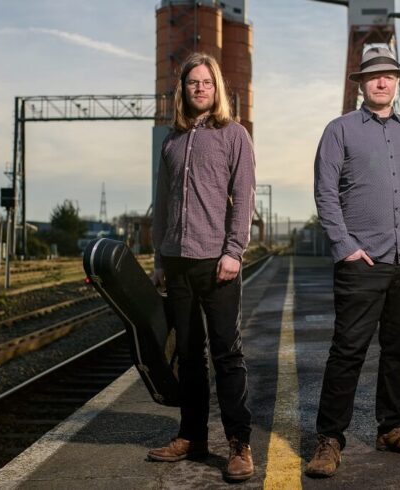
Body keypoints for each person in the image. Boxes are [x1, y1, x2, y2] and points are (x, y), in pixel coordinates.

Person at [306, 46, 400, 478]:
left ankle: (391, 428)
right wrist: (344, 245)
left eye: (389, 76)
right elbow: (325, 193)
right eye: (374, 77)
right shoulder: (339, 130)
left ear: (398, 82)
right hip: (362, 262)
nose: (382, 82)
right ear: (361, 85)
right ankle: (330, 438)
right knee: (347, 352)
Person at [149, 52, 256, 482]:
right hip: (177, 263)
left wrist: (234, 251)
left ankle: (239, 444)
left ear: (217, 88)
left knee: (227, 354)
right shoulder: (171, 142)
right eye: (192, 82)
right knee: (190, 357)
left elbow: (244, 197)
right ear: (183, 89)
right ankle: (191, 436)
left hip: (218, 264)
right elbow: (162, 204)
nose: (199, 88)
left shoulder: (234, 136)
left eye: (206, 82)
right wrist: (159, 256)